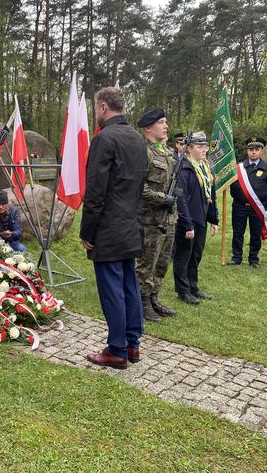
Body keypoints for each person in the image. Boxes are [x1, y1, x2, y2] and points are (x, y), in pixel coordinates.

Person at [81, 87, 148, 369]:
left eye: (96, 108)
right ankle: (132, 345)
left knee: (113, 290)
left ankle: (117, 349)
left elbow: (96, 191)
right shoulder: (137, 139)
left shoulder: (104, 139)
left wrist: (87, 231)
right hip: (131, 224)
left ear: (104, 107)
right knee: (129, 285)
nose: (95, 113)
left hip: (109, 228)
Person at [135, 107, 177, 323]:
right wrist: (162, 198)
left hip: (169, 219)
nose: (166, 126)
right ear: (148, 127)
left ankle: (153, 298)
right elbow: (138, 187)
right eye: (161, 122)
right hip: (150, 220)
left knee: (162, 263)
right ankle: (142, 302)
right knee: (147, 264)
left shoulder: (167, 153)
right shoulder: (143, 152)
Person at [173, 132, 219, 305]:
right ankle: (183, 290)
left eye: (205, 146)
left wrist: (213, 219)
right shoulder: (184, 168)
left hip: (201, 218)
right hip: (187, 220)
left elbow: (211, 194)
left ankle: (193, 286)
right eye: (199, 147)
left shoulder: (206, 167)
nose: (204, 150)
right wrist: (187, 225)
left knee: (196, 254)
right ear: (189, 148)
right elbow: (181, 199)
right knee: (184, 255)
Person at [229, 137, 267, 268]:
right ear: (247, 151)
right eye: (251, 149)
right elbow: (232, 187)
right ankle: (236, 257)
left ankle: (254, 259)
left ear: (262, 151)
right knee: (238, 232)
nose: (254, 152)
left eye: (257, 149)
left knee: (256, 233)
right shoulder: (237, 168)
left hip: (258, 207)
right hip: (239, 206)